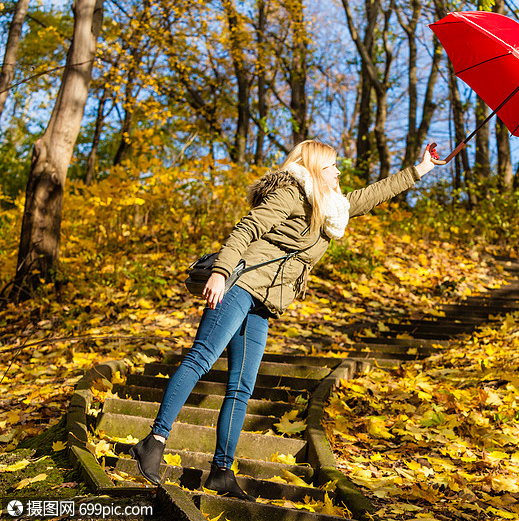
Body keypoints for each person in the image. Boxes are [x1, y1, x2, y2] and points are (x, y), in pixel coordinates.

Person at [130, 140, 439, 500]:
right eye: (331, 166)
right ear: (313, 168)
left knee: (242, 387)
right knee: (201, 359)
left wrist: (420, 170)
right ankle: (154, 441)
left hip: (263, 301)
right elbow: (247, 229)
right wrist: (220, 271)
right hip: (239, 284)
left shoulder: (330, 208)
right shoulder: (290, 193)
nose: (338, 172)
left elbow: (374, 194)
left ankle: (221, 471)